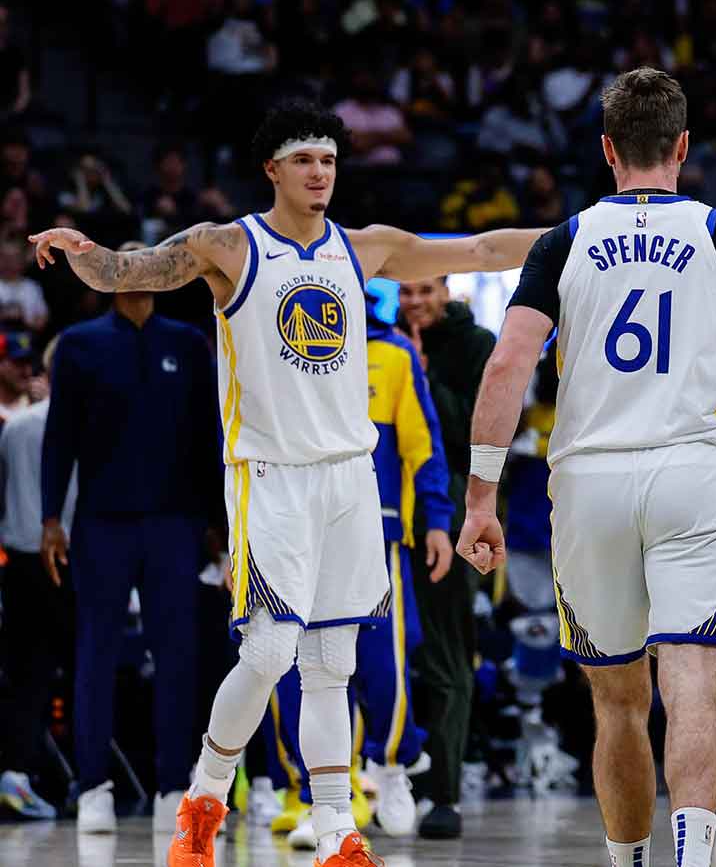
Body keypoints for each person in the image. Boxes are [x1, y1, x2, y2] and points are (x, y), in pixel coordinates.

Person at [28, 99, 545, 867]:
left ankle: (336, 826)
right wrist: (79, 248)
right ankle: (206, 794)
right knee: (270, 652)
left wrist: (575, 237)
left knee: (333, 663)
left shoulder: (361, 248)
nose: (320, 173)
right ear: (272, 169)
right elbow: (130, 270)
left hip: (348, 480)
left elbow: (477, 250)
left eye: (330, 161)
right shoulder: (227, 246)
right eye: (305, 160)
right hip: (270, 477)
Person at [455, 67, 716, 867]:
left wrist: (481, 498)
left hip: (589, 484)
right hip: (693, 477)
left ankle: (630, 863)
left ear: (608, 149)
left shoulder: (563, 241)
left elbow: (507, 365)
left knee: (617, 702)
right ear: (684, 148)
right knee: (691, 687)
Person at [270, 291, 455, 845]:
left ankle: (394, 766)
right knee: (300, 668)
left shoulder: (395, 355)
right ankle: (320, 796)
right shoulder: (286, 353)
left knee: (383, 664)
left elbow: (424, 447)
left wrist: (438, 520)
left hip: (379, 530)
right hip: (303, 533)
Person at [41, 287, 221, 836]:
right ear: (107, 278)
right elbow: (60, 435)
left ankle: (172, 787)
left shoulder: (188, 343)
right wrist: (52, 517)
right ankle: (93, 787)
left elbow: (206, 437)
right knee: (94, 651)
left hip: (175, 524)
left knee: (178, 658)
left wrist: (222, 527)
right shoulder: (79, 343)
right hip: (102, 523)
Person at [396, 274, 497, 838]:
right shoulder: (383, 344)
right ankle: (391, 778)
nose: (415, 303)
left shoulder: (477, 345)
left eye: (425, 291)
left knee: (447, 651)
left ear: (447, 292)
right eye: (406, 293)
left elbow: (470, 435)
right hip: (393, 513)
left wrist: (422, 376)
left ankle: (446, 794)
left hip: (454, 510)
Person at [0, 337, 73, 820]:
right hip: (67, 558)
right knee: (85, 668)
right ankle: (88, 781)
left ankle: (20, 774)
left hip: (20, 561)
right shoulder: (79, 425)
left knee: (27, 674)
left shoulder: (15, 427)